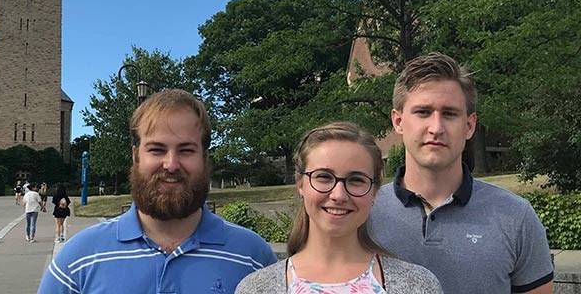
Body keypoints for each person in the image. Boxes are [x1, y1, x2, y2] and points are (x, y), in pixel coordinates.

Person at [39, 89, 276, 293]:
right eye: (156, 149)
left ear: (204, 157)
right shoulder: (78, 259)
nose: (171, 164)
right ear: (136, 156)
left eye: (186, 150)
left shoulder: (254, 258)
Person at [368, 52, 554, 294]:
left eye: (449, 114)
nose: (436, 128)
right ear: (398, 121)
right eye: (423, 112)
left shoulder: (515, 217)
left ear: (469, 125)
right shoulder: (365, 213)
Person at [236, 122, 442, 294]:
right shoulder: (256, 288)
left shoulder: (418, 285)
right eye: (324, 177)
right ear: (300, 183)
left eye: (356, 180)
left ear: (374, 191)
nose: (339, 195)